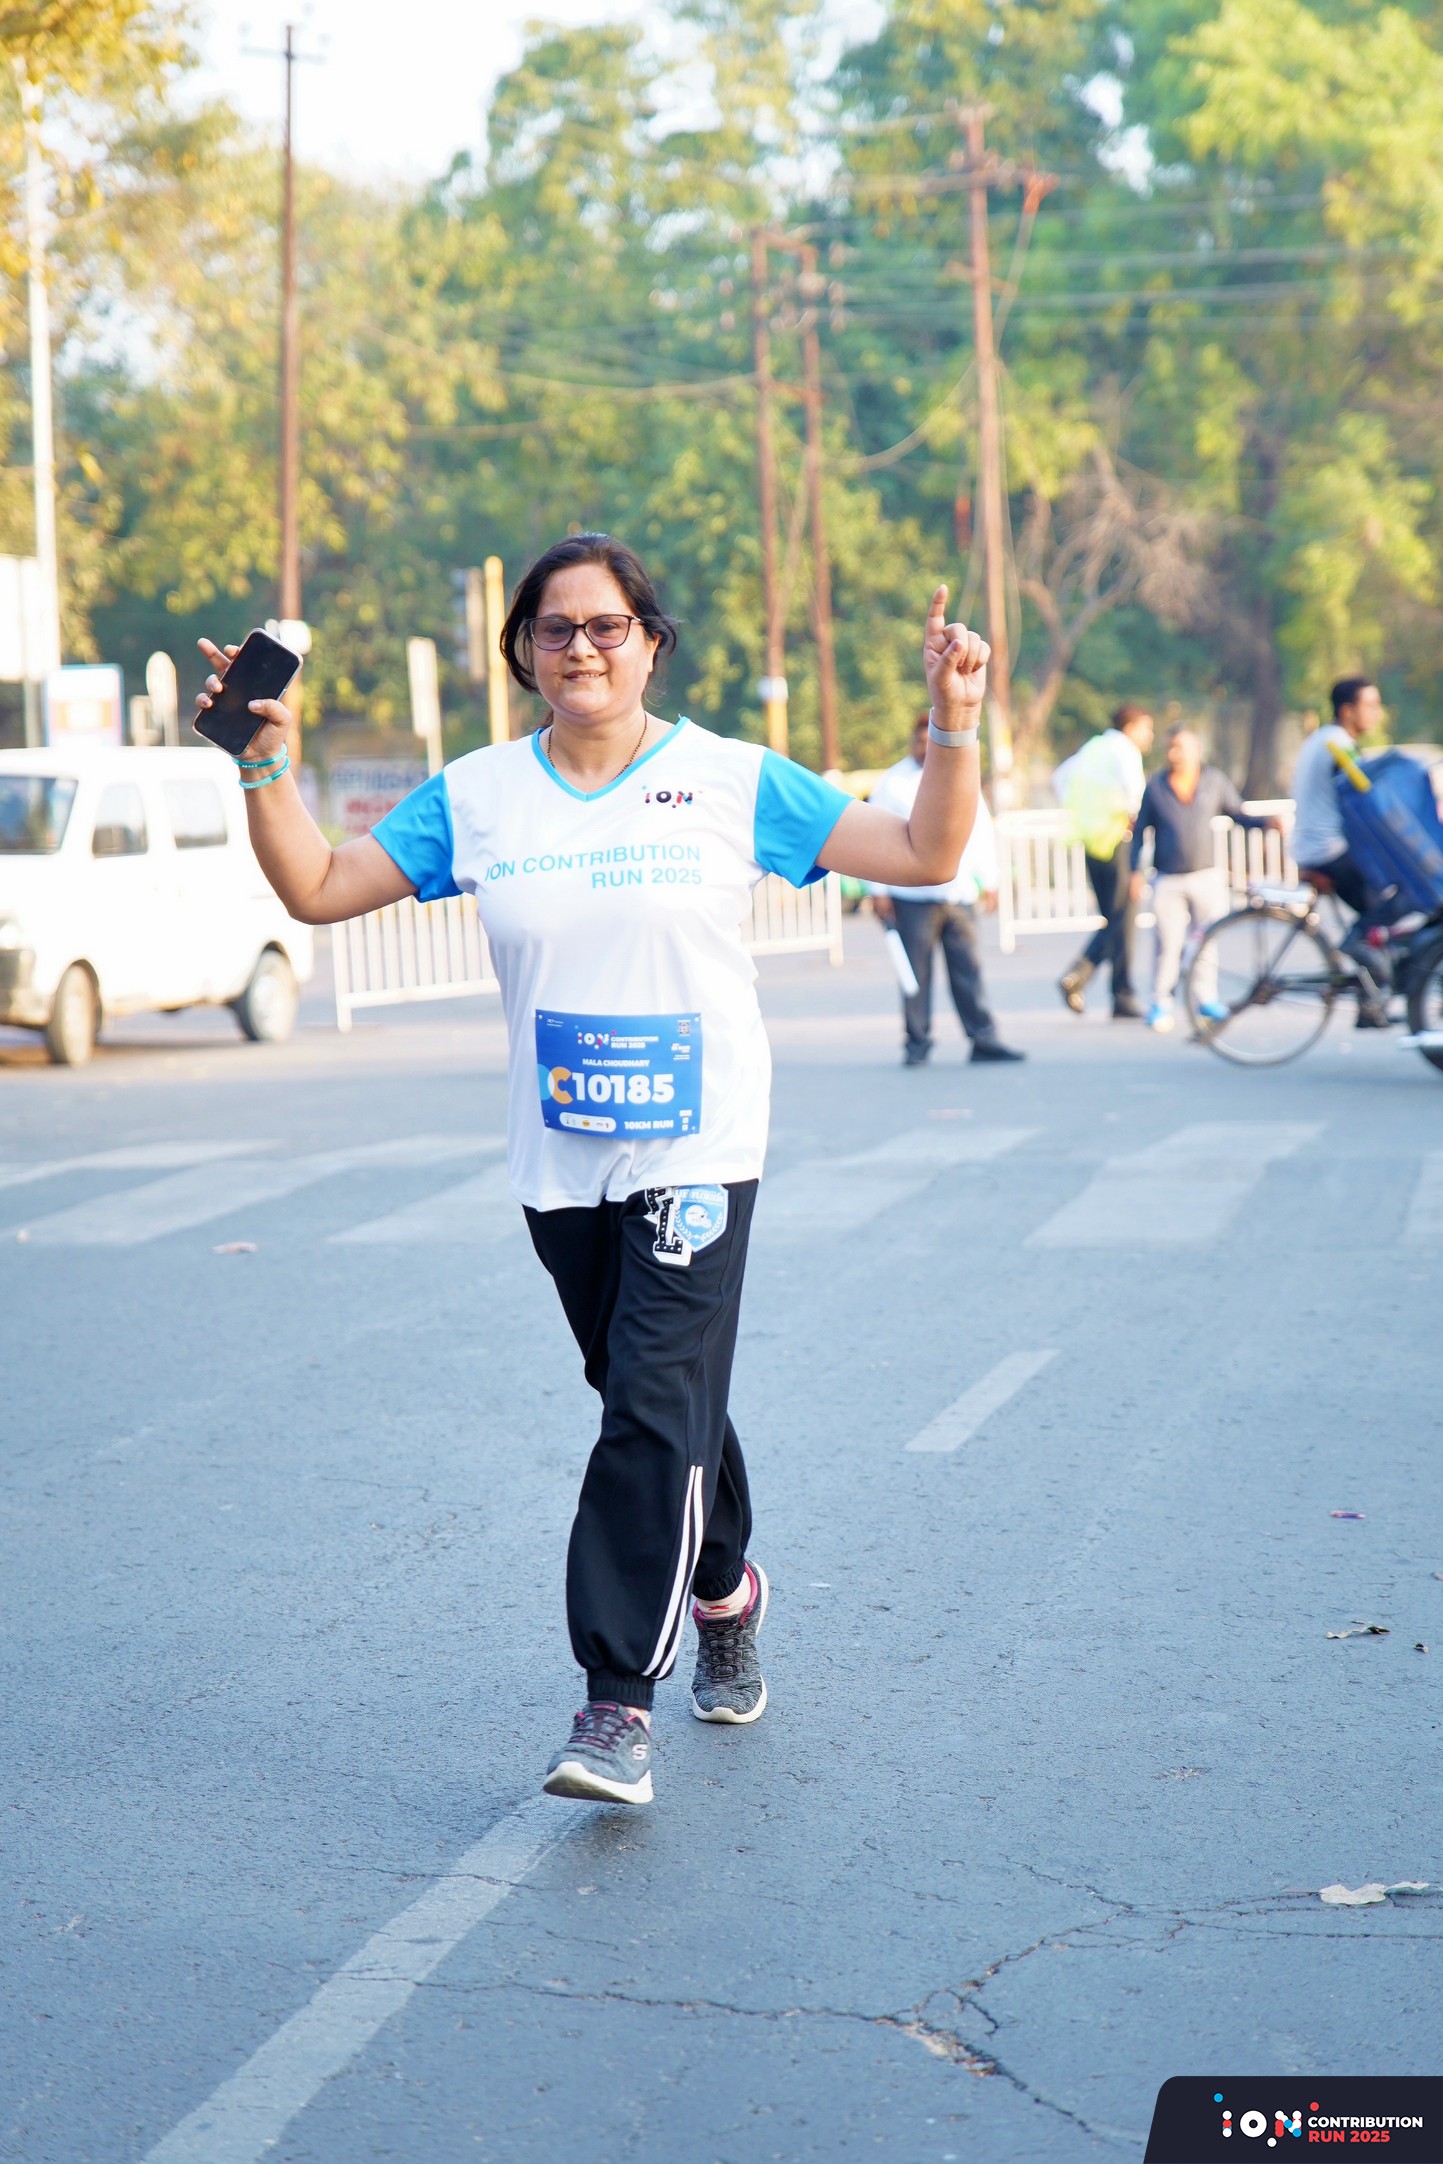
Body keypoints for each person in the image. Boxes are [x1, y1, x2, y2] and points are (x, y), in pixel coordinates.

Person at [196, 533, 989, 1809]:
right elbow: (320, 887)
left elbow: (925, 854)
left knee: (650, 1402)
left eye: (608, 626)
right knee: (648, 1395)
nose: (582, 648)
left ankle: (616, 1699)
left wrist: (953, 725)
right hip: (561, 1159)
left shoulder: (730, 779)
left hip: (699, 1148)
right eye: (555, 629)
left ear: (650, 643)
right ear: (524, 652)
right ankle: (724, 1587)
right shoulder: (479, 796)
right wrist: (262, 762)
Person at [868, 712, 1025, 1066]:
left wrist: (990, 880)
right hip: (911, 896)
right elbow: (875, 835)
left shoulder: (958, 775)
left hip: (958, 894)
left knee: (968, 969)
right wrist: (877, 890)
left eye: (930, 740)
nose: (924, 747)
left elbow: (980, 830)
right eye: (919, 741)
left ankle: (983, 1038)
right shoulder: (893, 783)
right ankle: (917, 1043)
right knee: (915, 974)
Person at [1129, 724, 1278, 1031]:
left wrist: (1266, 823)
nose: (1175, 754)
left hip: (1205, 876)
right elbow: (1140, 831)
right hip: (1168, 877)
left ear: (1196, 750)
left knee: (1207, 941)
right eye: (1171, 748)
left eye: (1181, 748)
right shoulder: (1156, 786)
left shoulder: (1213, 780)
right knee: (1167, 944)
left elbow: (1237, 813)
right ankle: (1161, 1002)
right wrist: (1134, 872)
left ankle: (1206, 998)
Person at [1290, 677, 1390, 1025]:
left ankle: (1370, 1003)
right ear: (1347, 711)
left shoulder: (1321, 739)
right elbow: (1366, 791)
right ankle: (1356, 948)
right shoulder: (1338, 744)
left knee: (1374, 907)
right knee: (1386, 903)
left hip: (1314, 847)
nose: (1376, 713)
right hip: (1327, 849)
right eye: (1370, 706)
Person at [1053, 703, 1154, 1018]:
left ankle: (1088, 980)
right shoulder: (1125, 751)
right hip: (1118, 841)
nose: (1149, 736)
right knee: (1123, 919)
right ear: (1131, 726)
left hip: (1093, 842)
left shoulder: (1093, 747)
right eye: (1146, 728)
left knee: (1115, 918)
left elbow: (1060, 778)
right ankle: (1106, 987)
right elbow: (1138, 799)